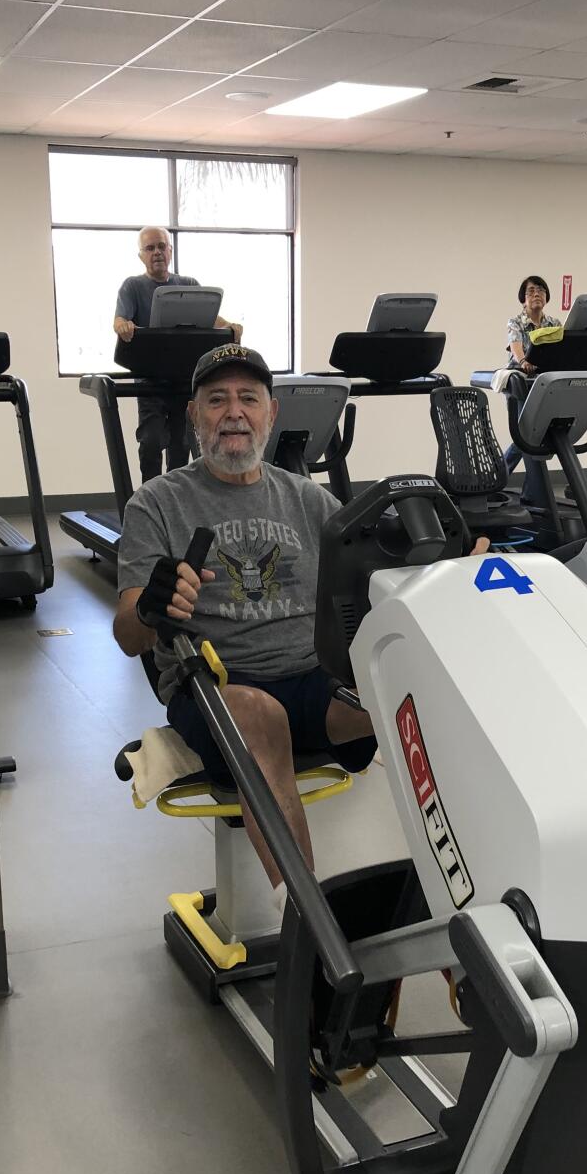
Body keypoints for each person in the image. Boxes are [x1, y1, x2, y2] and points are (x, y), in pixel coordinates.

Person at [111, 343, 378, 892]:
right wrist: (152, 607)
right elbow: (127, 635)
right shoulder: (157, 504)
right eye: (216, 400)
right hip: (215, 690)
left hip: (312, 684)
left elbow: (373, 589)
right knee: (257, 713)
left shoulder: (311, 501)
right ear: (193, 415)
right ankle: (309, 929)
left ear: (270, 413)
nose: (234, 412)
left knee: (411, 692)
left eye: (248, 398)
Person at [112, 225, 244, 482]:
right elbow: (119, 320)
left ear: (170, 251)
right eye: (150, 248)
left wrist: (229, 326)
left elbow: (208, 318)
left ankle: (175, 499)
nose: (157, 252)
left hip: (184, 380)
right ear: (141, 255)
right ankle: (149, 497)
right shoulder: (133, 286)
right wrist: (123, 326)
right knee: (151, 441)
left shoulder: (188, 284)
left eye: (162, 246)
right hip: (150, 382)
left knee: (181, 444)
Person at [502, 274, 562, 503]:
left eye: (540, 290)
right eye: (530, 291)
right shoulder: (515, 322)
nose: (536, 294)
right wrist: (523, 362)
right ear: (523, 299)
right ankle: (497, 478)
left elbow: (560, 350)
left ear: (546, 297)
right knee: (525, 436)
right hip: (518, 382)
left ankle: (528, 494)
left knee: (532, 437)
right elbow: (516, 348)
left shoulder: (554, 324)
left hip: (543, 382)